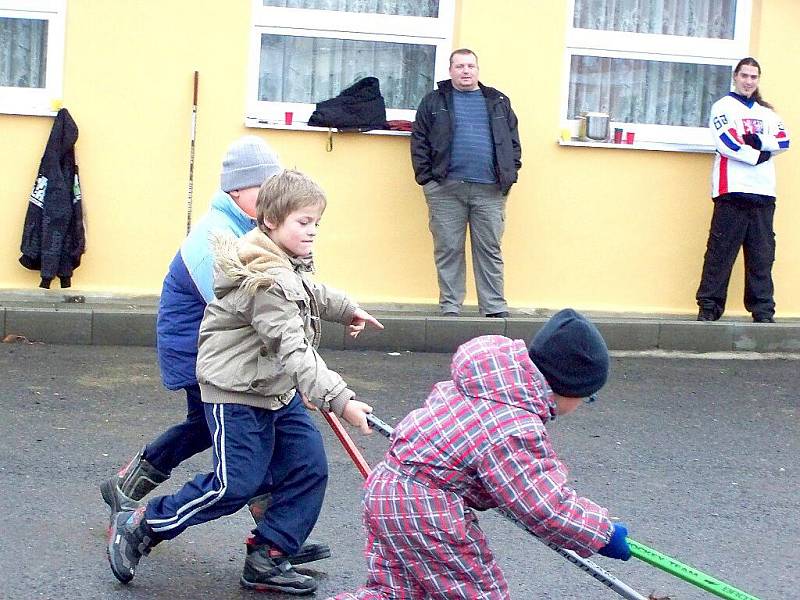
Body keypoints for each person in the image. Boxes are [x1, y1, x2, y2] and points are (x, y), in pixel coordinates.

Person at [106, 169, 383, 595]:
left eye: (316, 223)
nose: (312, 232)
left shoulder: (284, 259)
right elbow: (293, 348)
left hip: (273, 388)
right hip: (235, 393)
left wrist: (348, 309)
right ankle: (143, 524)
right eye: (303, 222)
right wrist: (340, 400)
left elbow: (311, 290)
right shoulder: (264, 279)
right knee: (235, 484)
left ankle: (269, 556)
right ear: (271, 220)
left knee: (309, 467)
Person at [101, 137, 329, 565]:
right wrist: (303, 376)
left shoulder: (256, 227)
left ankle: (272, 540)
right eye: (264, 187)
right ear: (236, 191)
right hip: (199, 350)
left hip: (241, 356)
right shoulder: (216, 236)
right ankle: (131, 495)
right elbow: (249, 315)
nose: (273, 195)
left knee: (236, 437)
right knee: (230, 439)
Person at [332, 309, 631, 600]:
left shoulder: (482, 384)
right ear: (566, 387)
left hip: (387, 488)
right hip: (427, 508)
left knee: (396, 592)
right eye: (587, 398)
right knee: (477, 593)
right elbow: (545, 506)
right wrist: (602, 533)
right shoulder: (515, 426)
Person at [411, 48, 521, 318]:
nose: (466, 71)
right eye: (459, 66)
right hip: (446, 190)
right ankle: (450, 310)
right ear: (450, 71)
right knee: (448, 249)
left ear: (477, 69)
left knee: (490, 250)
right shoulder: (434, 101)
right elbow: (419, 141)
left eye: (470, 66)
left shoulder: (497, 101)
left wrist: (510, 172)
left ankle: (494, 310)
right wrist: (428, 180)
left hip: (490, 191)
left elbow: (513, 142)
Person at [696, 57, 791, 323]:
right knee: (720, 252)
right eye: (744, 76)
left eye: (754, 77)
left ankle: (763, 310)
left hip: (763, 193)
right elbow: (727, 141)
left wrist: (759, 141)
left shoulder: (767, 113)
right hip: (732, 190)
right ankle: (709, 307)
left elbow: (784, 140)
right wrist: (757, 155)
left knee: (762, 255)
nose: (749, 81)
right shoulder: (723, 107)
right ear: (735, 77)